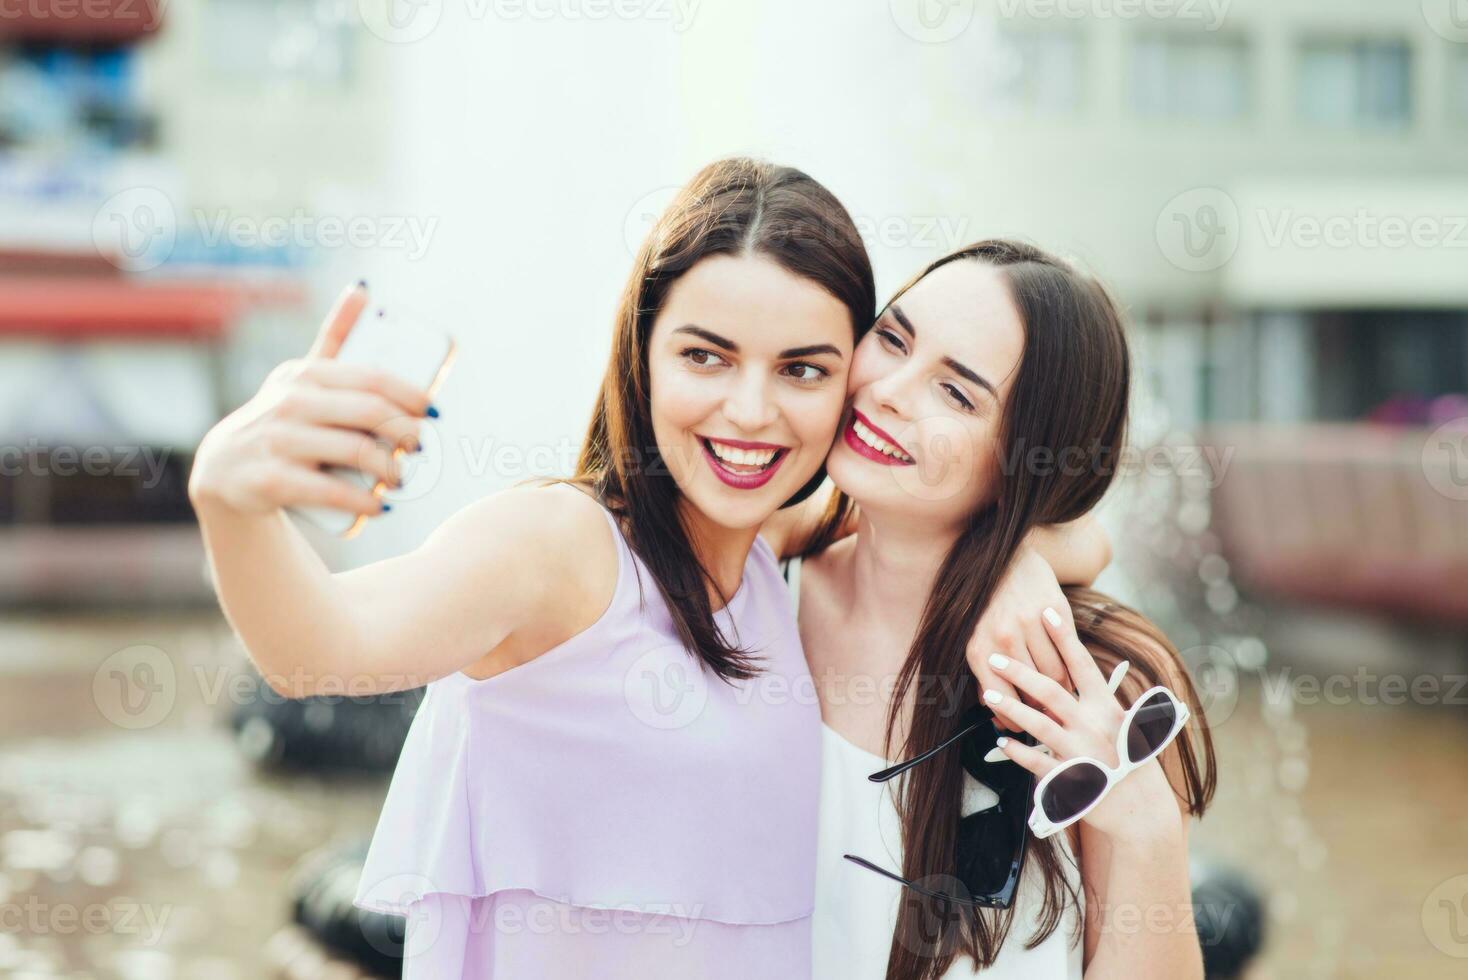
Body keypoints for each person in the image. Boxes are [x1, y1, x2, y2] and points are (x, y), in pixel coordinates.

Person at [188, 161, 1105, 977]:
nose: (751, 411)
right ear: (642, 354)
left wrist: (1018, 561)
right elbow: (321, 649)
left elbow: (1046, 534)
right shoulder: (563, 547)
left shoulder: (764, 551)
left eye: (802, 369)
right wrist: (232, 504)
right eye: (705, 355)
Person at [782, 240, 1218, 979]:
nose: (887, 389)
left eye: (956, 393)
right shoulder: (751, 598)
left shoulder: (1095, 680)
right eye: (892, 338)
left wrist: (1144, 832)